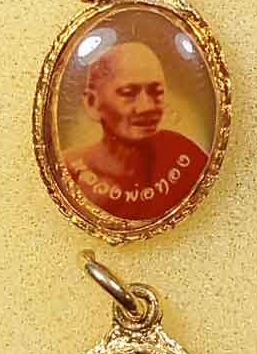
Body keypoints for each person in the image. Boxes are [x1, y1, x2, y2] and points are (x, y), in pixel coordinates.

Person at [64, 41, 208, 220]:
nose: (146, 107)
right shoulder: (68, 171)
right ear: (92, 103)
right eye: (128, 93)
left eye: (156, 92)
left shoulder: (186, 158)